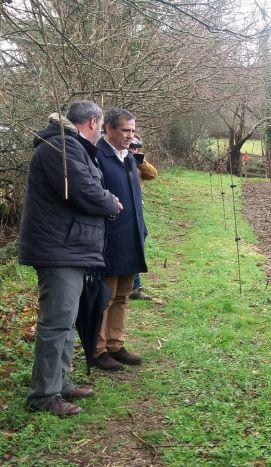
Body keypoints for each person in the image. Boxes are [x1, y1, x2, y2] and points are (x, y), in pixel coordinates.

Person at [18, 101, 122, 416]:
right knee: (56, 323)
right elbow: (86, 191)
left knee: (66, 322)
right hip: (59, 249)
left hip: (68, 247)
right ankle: (44, 395)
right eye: (99, 126)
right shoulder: (60, 147)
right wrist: (111, 202)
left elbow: (84, 188)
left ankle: (60, 383)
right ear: (93, 122)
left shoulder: (66, 146)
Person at [92, 108, 147, 371]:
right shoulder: (98, 156)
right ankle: (98, 348)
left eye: (132, 130)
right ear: (108, 129)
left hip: (131, 236)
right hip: (109, 238)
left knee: (123, 295)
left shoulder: (128, 158)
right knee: (106, 296)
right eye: (125, 130)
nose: (130, 136)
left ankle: (116, 344)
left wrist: (141, 230)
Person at [127, 136, 157, 301]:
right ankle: (132, 286)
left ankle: (134, 286)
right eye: (131, 144)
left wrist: (138, 160)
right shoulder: (119, 159)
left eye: (136, 145)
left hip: (137, 211)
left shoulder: (137, 162)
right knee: (133, 245)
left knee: (139, 241)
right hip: (123, 211)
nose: (133, 148)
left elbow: (152, 174)